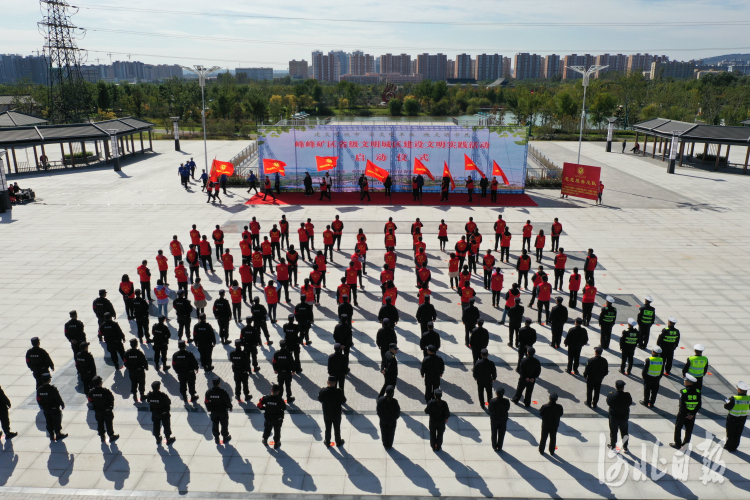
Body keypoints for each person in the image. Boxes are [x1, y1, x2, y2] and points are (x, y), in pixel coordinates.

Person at [671, 374, 701, 449]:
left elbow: (682, 405)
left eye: (685, 380)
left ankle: (677, 444)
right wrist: (692, 414)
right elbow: (699, 405)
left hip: (683, 414)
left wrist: (686, 413)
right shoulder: (697, 392)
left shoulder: (684, 392)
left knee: (678, 428)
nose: (684, 381)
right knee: (689, 430)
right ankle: (685, 446)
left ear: (689, 382)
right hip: (692, 415)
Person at [87, 376, 119, 443]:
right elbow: (112, 399)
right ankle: (111, 436)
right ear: (101, 383)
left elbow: (90, 400)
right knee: (109, 423)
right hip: (106, 410)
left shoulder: (91, 392)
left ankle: (102, 436)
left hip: (98, 410)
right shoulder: (105, 391)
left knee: (100, 423)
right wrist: (110, 407)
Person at [37, 373, 67, 442]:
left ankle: (51, 435)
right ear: (49, 380)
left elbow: (39, 400)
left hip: (46, 409)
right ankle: (58, 434)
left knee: (48, 421)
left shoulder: (39, 390)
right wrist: (62, 404)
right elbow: (58, 398)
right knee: (56, 421)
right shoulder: (52, 389)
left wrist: (43, 406)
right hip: (54, 408)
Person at [318, 376, 347, 447]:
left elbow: (320, 399)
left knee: (327, 428)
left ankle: (327, 442)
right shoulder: (339, 391)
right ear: (335, 383)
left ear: (327, 382)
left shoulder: (323, 391)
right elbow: (343, 401)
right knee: (337, 428)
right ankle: (338, 442)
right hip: (336, 414)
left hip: (327, 414)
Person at [724, 380, 750, 452]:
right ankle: (735, 446)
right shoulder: (749, 398)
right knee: (738, 432)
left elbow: (727, 407)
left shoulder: (734, 398)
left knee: (730, 432)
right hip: (743, 418)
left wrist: (727, 403)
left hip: (733, 418)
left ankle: (729, 446)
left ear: (739, 390)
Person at [258, 384, 287, 448]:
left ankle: (265, 440)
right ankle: (276, 443)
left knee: (267, 429)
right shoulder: (280, 400)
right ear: (278, 391)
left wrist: (265, 408)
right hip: (277, 419)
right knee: (277, 430)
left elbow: (259, 405)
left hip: (268, 418)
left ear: (271, 390)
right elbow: (284, 408)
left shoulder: (265, 398)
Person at [205, 378, 233, 444]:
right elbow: (227, 401)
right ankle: (225, 437)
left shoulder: (209, 392)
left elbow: (206, 402)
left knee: (215, 424)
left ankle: (216, 438)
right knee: (224, 424)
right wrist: (230, 407)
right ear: (219, 383)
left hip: (214, 411)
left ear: (212, 383)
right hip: (223, 411)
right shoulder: (223, 392)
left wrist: (209, 408)